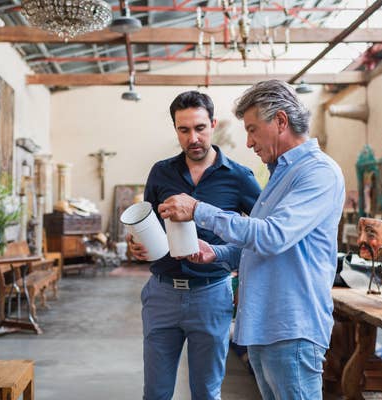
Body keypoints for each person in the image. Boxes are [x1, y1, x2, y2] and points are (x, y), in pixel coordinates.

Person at [158, 80, 345, 400]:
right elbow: (260, 247)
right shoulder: (281, 174)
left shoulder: (318, 173)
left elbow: (272, 237)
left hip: (292, 328)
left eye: (253, 129)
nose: (248, 142)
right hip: (266, 328)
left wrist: (198, 210)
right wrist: (214, 253)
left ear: (281, 122)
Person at [128, 91, 261, 400]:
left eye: (200, 128)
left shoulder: (239, 178)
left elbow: (262, 236)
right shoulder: (161, 172)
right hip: (161, 295)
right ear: (175, 129)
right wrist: (136, 245)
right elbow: (146, 222)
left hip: (211, 295)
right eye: (184, 130)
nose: (193, 138)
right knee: (156, 394)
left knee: (205, 393)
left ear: (212, 124)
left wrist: (227, 257)